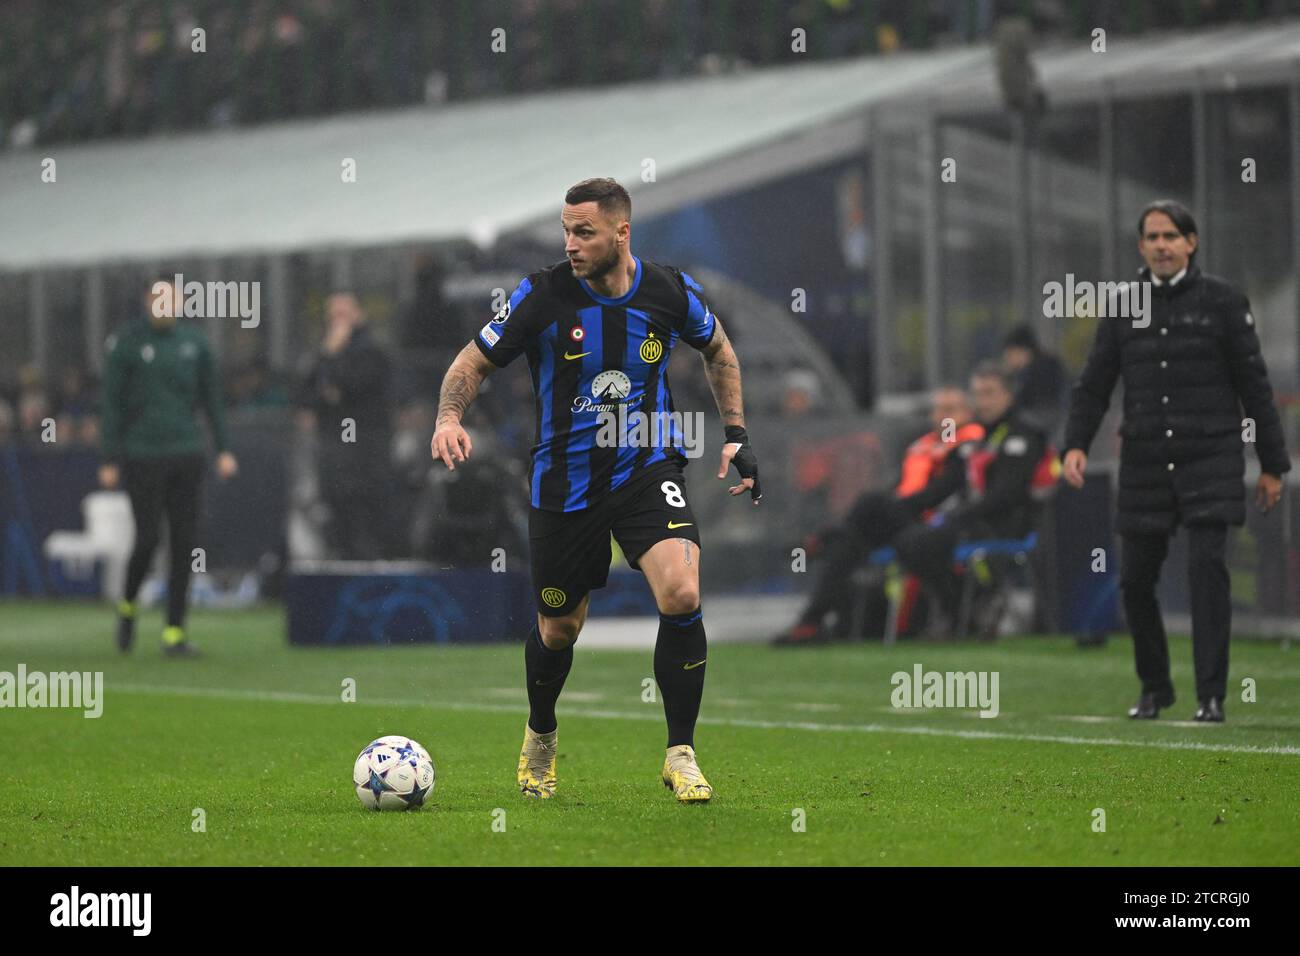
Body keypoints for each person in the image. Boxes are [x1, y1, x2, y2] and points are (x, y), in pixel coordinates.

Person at [431, 177, 760, 803]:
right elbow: (469, 364)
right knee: (560, 628)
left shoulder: (669, 289)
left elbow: (719, 350)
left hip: (646, 471)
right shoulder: (541, 294)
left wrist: (736, 433)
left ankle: (680, 753)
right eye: (566, 231)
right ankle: (541, 732)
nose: (572, 244)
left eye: (584, 232)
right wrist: (449, 418)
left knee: (683, 589)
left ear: (621, 231)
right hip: (565, 484)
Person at [1062, 200, 1290, 723]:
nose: (1162, 245)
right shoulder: (1123, 306)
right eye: (1152, 237)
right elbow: (1095, 384)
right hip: (1144, 459)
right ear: (1140, 246)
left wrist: (1273, 464)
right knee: (1136, 580)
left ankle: (1211, 695)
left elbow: (1255, 387)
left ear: (1191, 243)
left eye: (1171, 236)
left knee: (1207, 570)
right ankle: (1155, 688)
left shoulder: (1225, 303)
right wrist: (1075, 443)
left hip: (1210, 456)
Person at [772, 385, 984, 645]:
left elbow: (943, 491)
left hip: (934, 524)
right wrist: (893, 505)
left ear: (968, 413)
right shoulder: (924, 446)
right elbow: (901, 484)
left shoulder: (969, 445)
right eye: (938, 409)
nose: (943, 416)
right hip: (905, 521)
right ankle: (811, 622)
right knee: (847, 541)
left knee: (869, 505)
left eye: (950, 410)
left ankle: (819, 541)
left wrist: (895, 506)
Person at [99, 279, 238, 656]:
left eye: (171, 298)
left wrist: (223, 448)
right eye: (158, 297)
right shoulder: (126, 344)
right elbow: (110, 402)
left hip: (186, 453)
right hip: (143, 454)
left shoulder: (194, 344)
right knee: (147, 539)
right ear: (147, 301)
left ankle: (174, 631)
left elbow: (213, 400)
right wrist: (110, 456)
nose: (166, 304)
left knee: (184, 543)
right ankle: (128, 606)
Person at [892, 362, 1050, 637]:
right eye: (978, 394)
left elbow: (1006, 494)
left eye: (989, 393)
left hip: (1004, 525)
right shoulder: (974, 438)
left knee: (921, 542)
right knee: (907, 540)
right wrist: (899, 506)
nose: (982, 402)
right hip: (969, 521)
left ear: (1008, 396)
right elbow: (944, 486)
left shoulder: (1021, 435)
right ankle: (960, 609)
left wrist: (959, 514)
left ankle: (968, 607)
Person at [298, 292, 394, 559]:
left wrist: (333, 370)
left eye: (344, 314)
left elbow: (354, 386)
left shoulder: (373, 352)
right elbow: (308, 394)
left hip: (366, 446)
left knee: (364, 508)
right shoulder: (321, 353)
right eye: (333, 316)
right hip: (332, 446)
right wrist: (328, 362)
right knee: (334, 504)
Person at [1001, 323, 1067, 441]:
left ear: (1022, 351)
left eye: (1010, 355)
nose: (1008, 361)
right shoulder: (1049, 365)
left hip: (1046, 431)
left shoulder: (1035, 373)